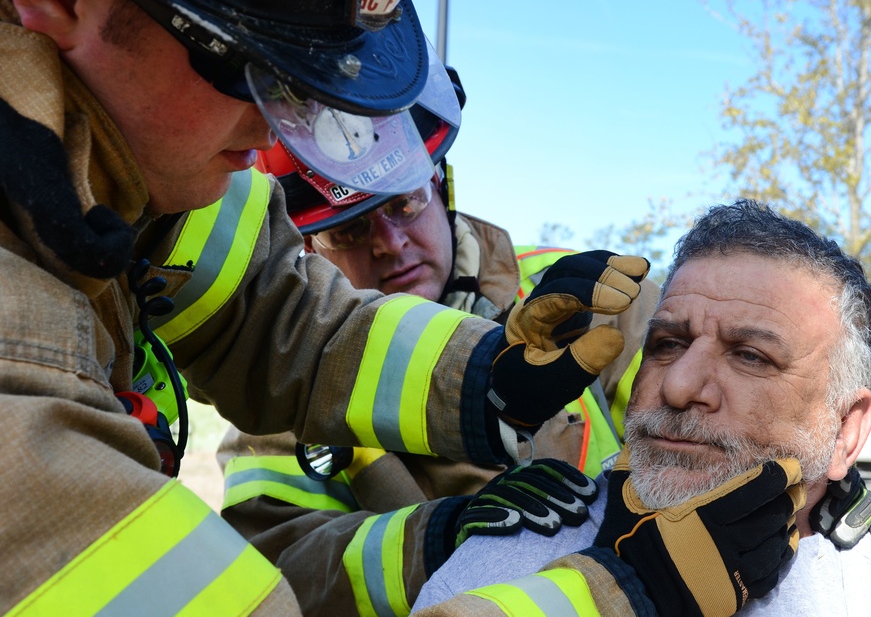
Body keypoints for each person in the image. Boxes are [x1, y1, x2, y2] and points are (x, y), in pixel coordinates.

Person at [0, 0, 651, 613]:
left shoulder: (157, 164)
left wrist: (488, 375)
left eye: (301, 82)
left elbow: (279, 316)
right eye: (255, 65)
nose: (271, 128)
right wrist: (612, 593)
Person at [215, 64, 661, 615]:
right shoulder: (273, 393)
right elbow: (276, 566)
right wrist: (436, 543)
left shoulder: (593, 299)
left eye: (404, 200)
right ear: (308, 248)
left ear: (441, 185)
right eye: (348, 227)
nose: (390, 242)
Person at [412, 199, 871, 616]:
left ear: (847, 430)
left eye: (751, 356)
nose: (678, 386)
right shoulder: (494, 569)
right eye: (667, 344)